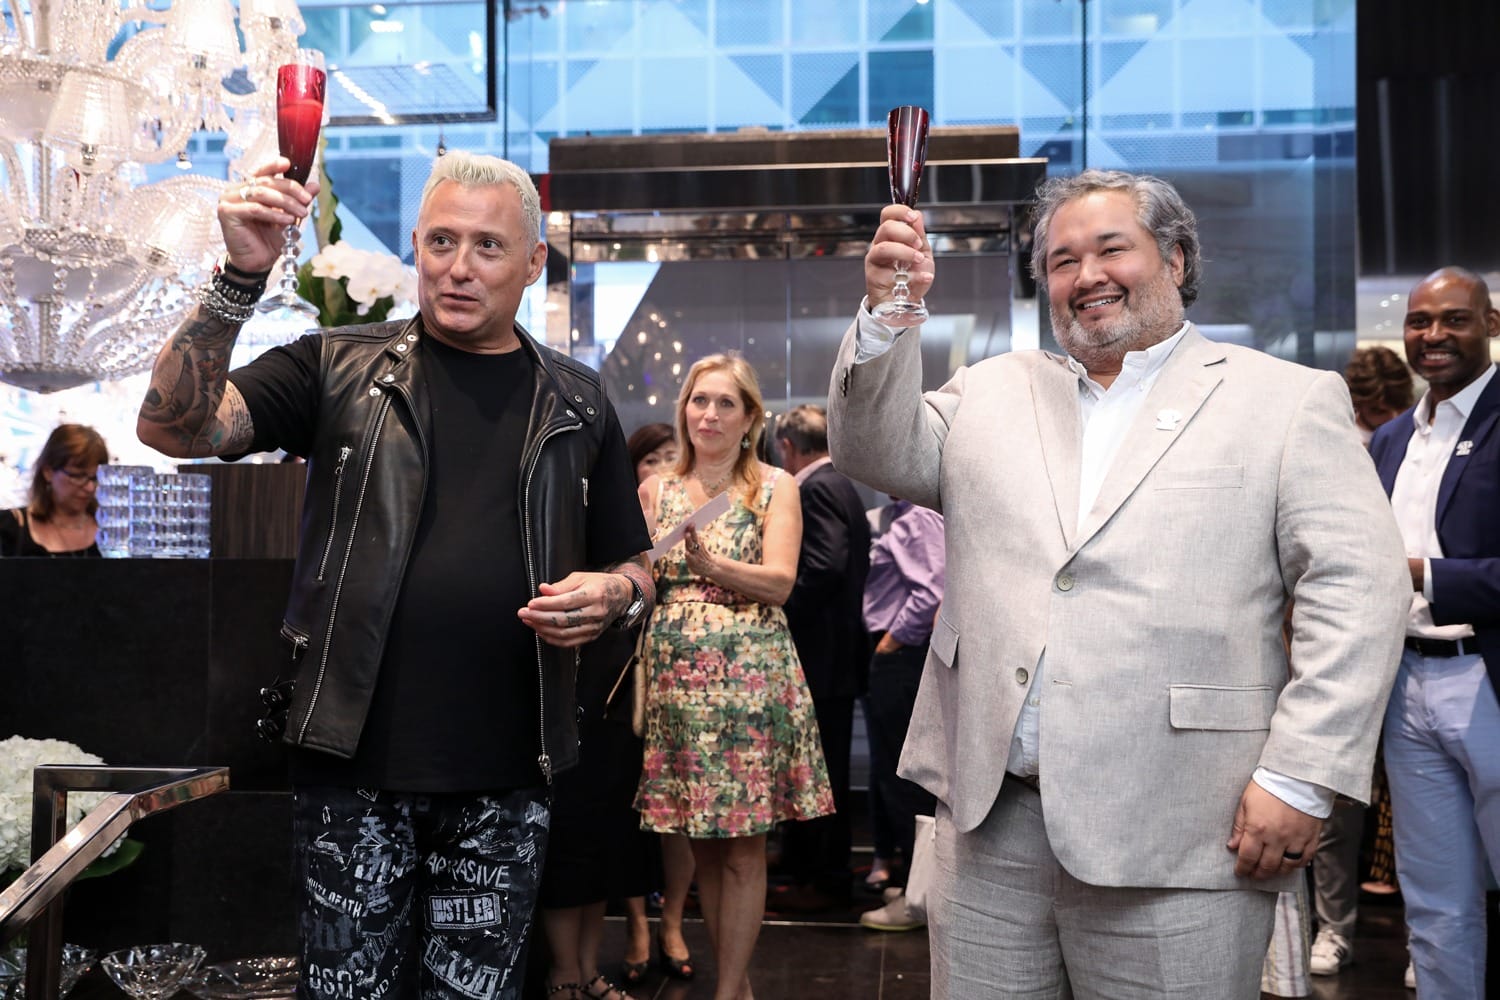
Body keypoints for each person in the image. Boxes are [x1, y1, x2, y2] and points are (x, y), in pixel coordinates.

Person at [826, 168, 1411, 998]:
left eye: (1111, 249)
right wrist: (891, 312)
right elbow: (872, 452)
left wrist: (1300, 775)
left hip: (1185, 831)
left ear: (1175, 257)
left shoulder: (1283, 402)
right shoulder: (993, 390)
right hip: (992, 831)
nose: (1086, 275)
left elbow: (1359, 589)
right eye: (1061, 261)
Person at [135, 149, 655, 999]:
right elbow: (174, 427)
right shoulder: (334, 366)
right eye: (441, 241)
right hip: (353, 770)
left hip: (509, 770)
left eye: (487, 247)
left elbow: (635, 564)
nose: (458, 267)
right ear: (414, 243)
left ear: (533, 263)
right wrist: (238, 278)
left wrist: (617, 594)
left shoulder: (579, 402)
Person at [635, 353, 834, 1000]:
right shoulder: (655, 491)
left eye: (725, 403)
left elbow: (779, 583)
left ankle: (727, 994)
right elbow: (641, 578)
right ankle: (737, 987)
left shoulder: (776, 486)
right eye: (699, 400)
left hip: (748, 677)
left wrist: (713, 565)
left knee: (745, 846)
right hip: (676, 682)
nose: (709, 414)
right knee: (705, 843)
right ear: (683, 409)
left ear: (750, 418)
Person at [1368, 266, 1500, 1000]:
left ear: (1491, 323)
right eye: (1421, 322)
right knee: (1436, 901)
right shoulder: (1390, 440)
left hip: (1486, 678)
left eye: (1454, 319)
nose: (1434, 336)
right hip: (1406, 685)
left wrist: (1423, 574)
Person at [1307, 345, 1416, 979]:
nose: (1373, 427)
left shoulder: (1410, 445)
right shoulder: (1334, 442)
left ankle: (1420, 944)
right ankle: (1333, 929)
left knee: (1416, 805)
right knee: (1336, 805)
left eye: (1382, 415)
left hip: (1422, 642)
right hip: (1343, 644)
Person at [771, 403, 871, 913]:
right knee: (822, 768)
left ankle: (825, 878)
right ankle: (816, 868)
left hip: (821, 653)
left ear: (787, 447)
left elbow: (825, 565)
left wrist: (778, 601)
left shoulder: (815, 488)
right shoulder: (840, 483)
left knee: (820, 772)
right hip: (835, 652)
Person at [614, 423, 699, 988]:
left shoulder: (699, 503)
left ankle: (672, 920)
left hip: (684, 667)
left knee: (679, 810)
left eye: (673, 457)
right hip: (623, 666)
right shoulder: (621, 507)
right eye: (653, 458)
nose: (662, 467)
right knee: (626, 804)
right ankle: (636, 925)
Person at [856, 497, 944, 933]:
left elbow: (932, 589)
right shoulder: (904, 514)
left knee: (904, 777)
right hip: (900, 652)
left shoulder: (919, 515)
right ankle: (915, 885)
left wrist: (892, 642)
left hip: (903, 654)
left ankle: (918, 897)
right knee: (897, 773)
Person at [1, 424, 108, 558]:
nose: (90, 488)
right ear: (48, 472)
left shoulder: (112, 530)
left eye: (94, 478)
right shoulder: (10, 527)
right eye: (77, 476)